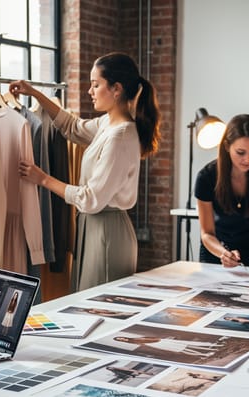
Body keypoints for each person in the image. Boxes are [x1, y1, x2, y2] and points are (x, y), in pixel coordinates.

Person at [10, 52, 161, 291]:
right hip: (93, 228)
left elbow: (90, 199)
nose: (90, 91)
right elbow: (71, 127)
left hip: (107, 232)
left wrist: (42, 178)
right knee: (87, 302)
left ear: (116, 89)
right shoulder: (107, 124)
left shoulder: (120, 135)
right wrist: (35, 93)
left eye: (95, 85)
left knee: (99, 307)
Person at [194, 114, 249, 274]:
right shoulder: (206, 177)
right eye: (240, 152)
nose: (248, 160)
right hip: (217, 253)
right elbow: (207, 233)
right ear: (227, 146)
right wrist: (223, 253)